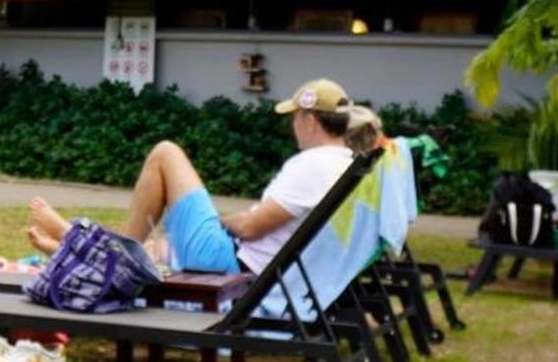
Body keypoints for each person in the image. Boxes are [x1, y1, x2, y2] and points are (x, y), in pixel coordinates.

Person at [25, 78, 357, 276]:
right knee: (161, 246)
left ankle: (110, 255)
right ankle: (73, 247)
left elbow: (253, 227)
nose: (293, 125)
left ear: (311, 121)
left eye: (296, 117)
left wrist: (226, 222)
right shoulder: (343, 163)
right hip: (259, 265)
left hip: (233, 262)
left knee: (165, 153)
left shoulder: (312, 165)